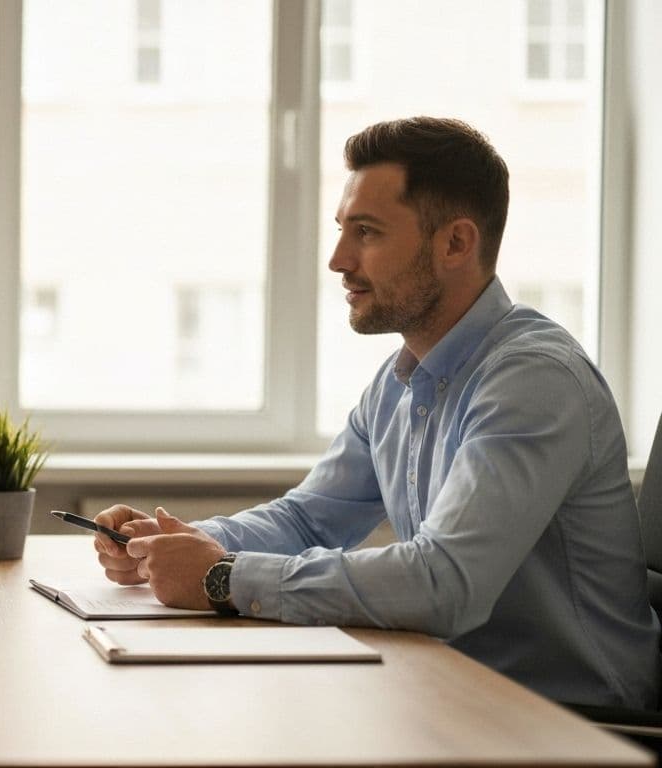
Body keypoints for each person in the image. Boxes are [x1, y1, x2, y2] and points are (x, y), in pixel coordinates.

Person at [92, 116, 659, 709]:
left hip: (576, 721)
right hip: (453, 692)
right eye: (342, 230)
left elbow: (445, 584)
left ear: (455, 244)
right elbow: (309, 521)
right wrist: (176, 545)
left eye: (366, 232)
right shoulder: (399, 383)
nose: (338, 260)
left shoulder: (534, 381)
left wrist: (222, 578)